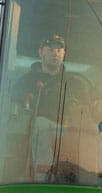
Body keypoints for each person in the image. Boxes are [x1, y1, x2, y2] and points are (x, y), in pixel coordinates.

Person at [12, 34, 94, 180]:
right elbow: (17, 108)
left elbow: (89, 106)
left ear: (64, 54)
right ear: (40, 52)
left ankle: (93, 177)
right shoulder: (25, 82)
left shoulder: (75, 82)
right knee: (40, 124)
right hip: (40, 128)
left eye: (59, 49)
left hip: (71, 128)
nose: (55, 53)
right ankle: (43, 179)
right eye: (50, 49)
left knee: (98, 129)